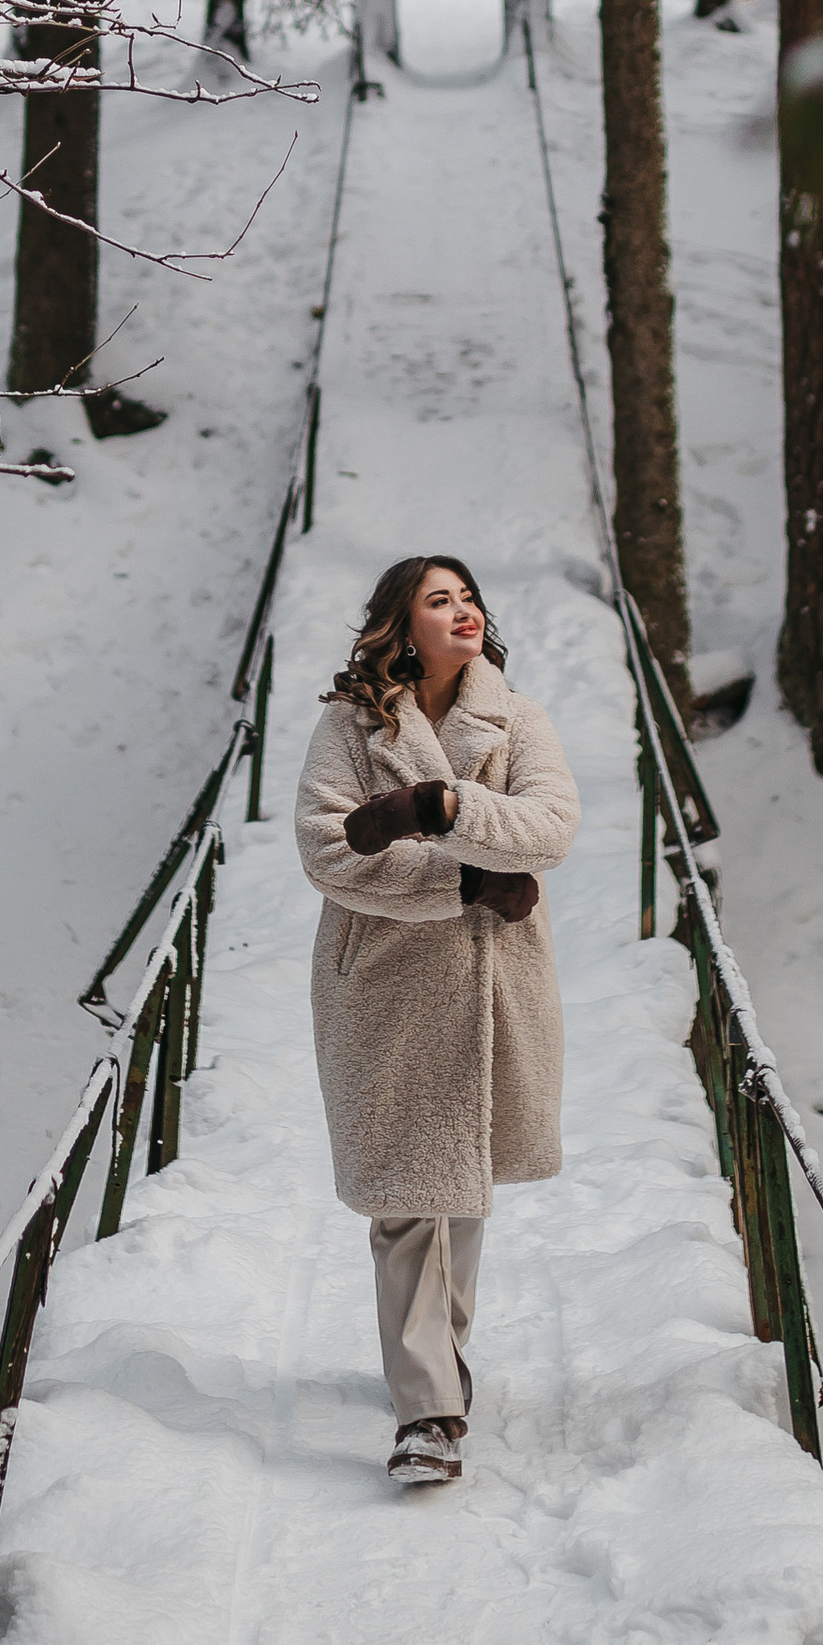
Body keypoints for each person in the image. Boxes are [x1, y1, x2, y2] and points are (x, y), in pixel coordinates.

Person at [294, 555, 580, 1487]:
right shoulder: (348, 724)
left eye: (469, 598)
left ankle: (437, 1370)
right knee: (408, 1195)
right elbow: (329, 849)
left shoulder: (518, 718)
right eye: (439, 599)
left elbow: (550, 830)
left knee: (455, 1194)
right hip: (381, 980)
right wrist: (464, 877)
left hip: (493, 982)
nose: (464, 611)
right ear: (399, 624)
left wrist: (442, 807)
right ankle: (427, 1413)